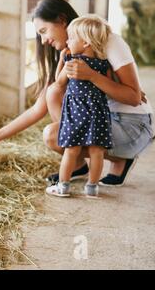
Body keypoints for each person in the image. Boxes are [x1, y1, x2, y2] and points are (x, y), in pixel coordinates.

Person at [0, 0, 154, 188]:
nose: (43, 41)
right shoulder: (69, 56)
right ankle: (77, 164)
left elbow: (134, 98)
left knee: (56, 111)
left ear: (61, 20)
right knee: (52, 128)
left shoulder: (108, 41)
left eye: (44, 31)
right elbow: (37, 109)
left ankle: (121, 158)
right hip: (106, 119)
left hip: (132, 125)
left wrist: (92, 76)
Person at [45, 15, 112, 198]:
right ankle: (92, 188)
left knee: (71, 149)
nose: (67, 41)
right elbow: (109, 83)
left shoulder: (73, 62)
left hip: (76, 112)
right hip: (98, 112)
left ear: (85, 43)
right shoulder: (103, 63)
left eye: (71, 38)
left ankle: (63, 186)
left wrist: (61, 60)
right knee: (96, 151)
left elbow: (59, 82)